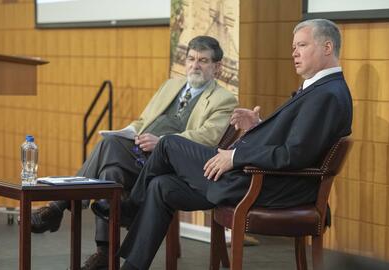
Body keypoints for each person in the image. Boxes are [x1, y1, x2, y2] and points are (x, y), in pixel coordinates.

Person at [99, 18, 353, 270]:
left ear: (327, 48)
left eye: (302, 45)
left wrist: (234, 158)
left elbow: (294, 156)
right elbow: (296, 143)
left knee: (168, 145)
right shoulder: (320, 90)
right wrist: (258, 125)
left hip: (261, 184)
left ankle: (130, 207)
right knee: (161, 185)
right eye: (294, 47)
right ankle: (132, 266)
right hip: (255, 177)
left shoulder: (326, 95)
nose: (294, 53)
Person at [30, 35, 238, 270]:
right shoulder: (170, 85)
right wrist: (126, 132)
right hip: (138, 152)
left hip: (170, 163)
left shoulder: (224, 99)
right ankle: (105, 255)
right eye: (191, 59)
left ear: (217, 67)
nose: (194, 65)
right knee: (111, 170)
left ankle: (58, 208)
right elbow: (142, 120)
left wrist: (160, 142)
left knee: (108, 149)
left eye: (203, 60)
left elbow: (207, 136)